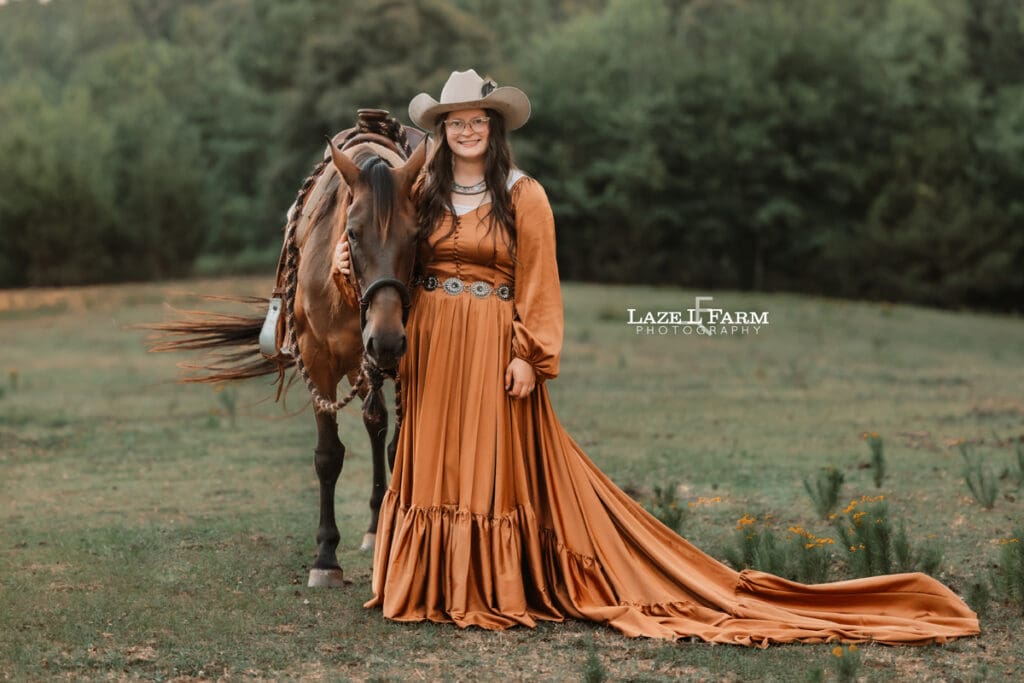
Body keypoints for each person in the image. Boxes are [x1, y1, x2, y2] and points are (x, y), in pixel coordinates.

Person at [334, 69, 979, 645]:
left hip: (491, 346)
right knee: (437, 458)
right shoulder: (419, 195)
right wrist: (345, 264)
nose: (468, 130)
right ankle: (431, 587)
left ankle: (485, 587)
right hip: (435, 343)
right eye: (456, 123)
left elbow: (539, 283)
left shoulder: (523, 195)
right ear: (441, 132)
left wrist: (531, 354)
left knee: (489, 467)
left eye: (478, 120)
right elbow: (382, 252)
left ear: (495, 129)